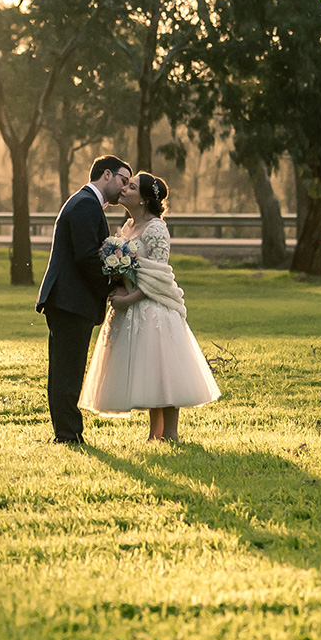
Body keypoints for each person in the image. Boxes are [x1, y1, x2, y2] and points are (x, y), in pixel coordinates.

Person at [79, 171, 221, 441]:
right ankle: (155, 434)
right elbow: (128, 269)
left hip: (153, 306)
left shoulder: (156, 228)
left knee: (163, 369)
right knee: (149, 371)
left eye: (131, 187)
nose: (124, 189)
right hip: (130, 302)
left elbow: (158, 274)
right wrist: (118, 284)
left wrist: (128, 299)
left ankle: (171, 433)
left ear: (143, 199)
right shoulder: (128, 226)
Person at [34, 156, 134, 445]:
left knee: (68, 368)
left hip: (70, 300)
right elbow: (87, 257)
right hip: (69, 301)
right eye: (123, 181)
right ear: (107, 175)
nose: (124, 189)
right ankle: (67, 435)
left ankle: (68, 432)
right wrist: (112, 283)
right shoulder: (85, 205)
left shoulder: (85, 203)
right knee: (67, 370)